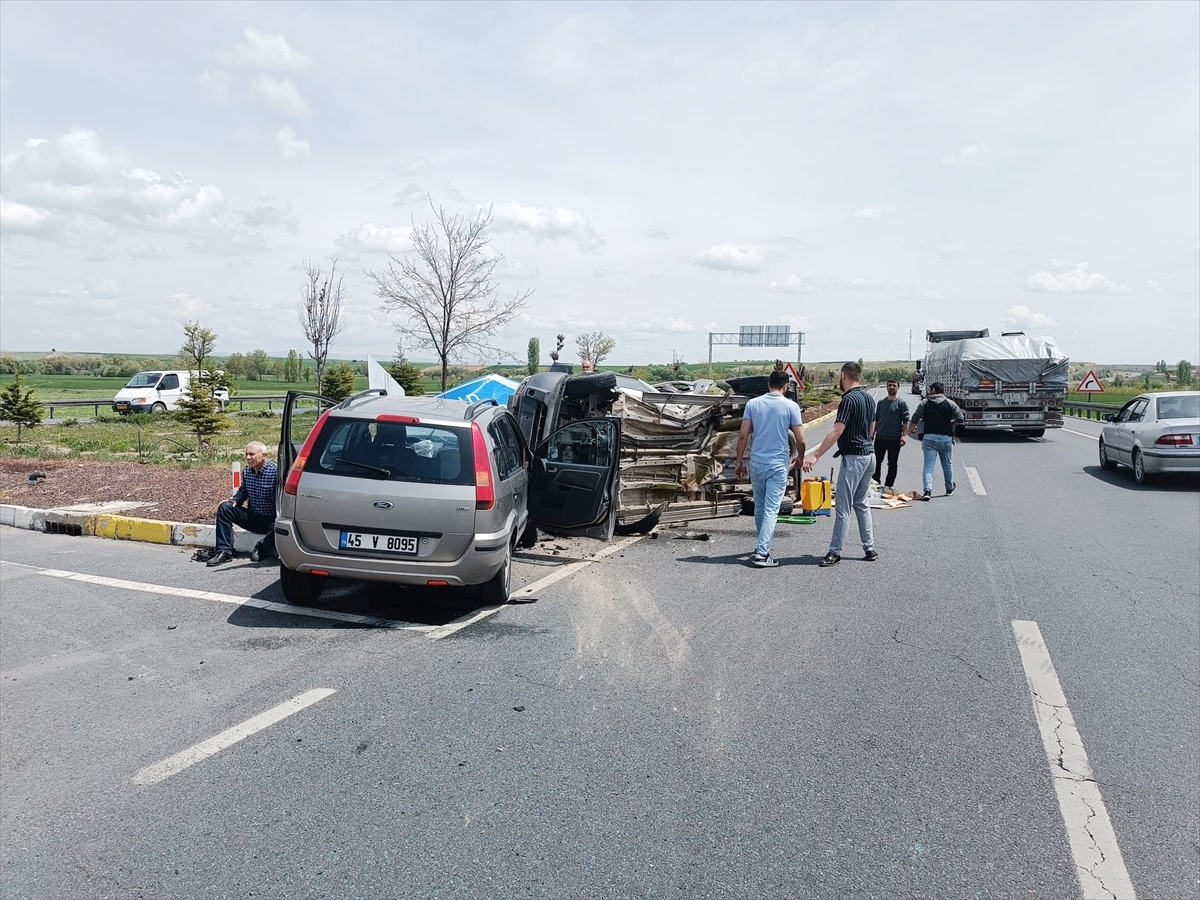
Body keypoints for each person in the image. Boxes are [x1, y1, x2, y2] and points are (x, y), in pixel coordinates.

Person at [803, 361, 876, 567]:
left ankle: (835, 552)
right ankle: (869, 548)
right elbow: (872, 427)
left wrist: (815, 455)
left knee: (843, 507)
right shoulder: (869, 399)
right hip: (869, 456)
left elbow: (836, 431)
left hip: (854, 458)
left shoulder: (848, 400)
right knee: (861, 503)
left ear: (843, 376)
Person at [734, 370, 806, 568]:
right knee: (771, 510)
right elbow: (800, 439)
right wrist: (800, 458)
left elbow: (742, 436)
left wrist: (739, 462)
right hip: (777, 464)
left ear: (768, 385)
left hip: (756, 462)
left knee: (759, 506)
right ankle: (762, 553)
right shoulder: (791, 406)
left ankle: (761, 546)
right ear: (785, 387)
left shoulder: (753, 404)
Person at [208, 441, 278, 566]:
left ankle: (261, 548)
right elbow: (242, 492)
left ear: (264, 455)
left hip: (272, 521)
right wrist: (235, 500)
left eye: (252, 454)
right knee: (225, 508)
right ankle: (224, 551)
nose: (248, 458)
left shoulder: (276, 472)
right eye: (246, 454)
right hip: (254, 517)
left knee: (280, 525)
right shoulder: (247, 471)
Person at [909, 381, 965, 500]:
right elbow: (960, 419)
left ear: (934, 390)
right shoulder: (951, 404)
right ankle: (949, 488)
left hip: (929, 438)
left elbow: (915, 417)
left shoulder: (925, 403)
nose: (929, 391)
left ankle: (927, 491)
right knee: (947, 464)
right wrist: (951, 423)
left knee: (928, 465)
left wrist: (913, 426)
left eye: (930, 389)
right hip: (946, 438)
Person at [871, 379, 910, 488]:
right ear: (886, 387)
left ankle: (888, 486)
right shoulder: (881, 403)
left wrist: (904, 435)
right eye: (889, 385)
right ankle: (876, 483)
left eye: (894, 385)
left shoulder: (901, 404)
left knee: (892, 464)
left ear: (898, 387)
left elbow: (906, 421)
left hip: (894, 439)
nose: (891, 387)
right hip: (880, 438)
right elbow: (876, 419)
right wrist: (872, 432)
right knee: (876, 462)